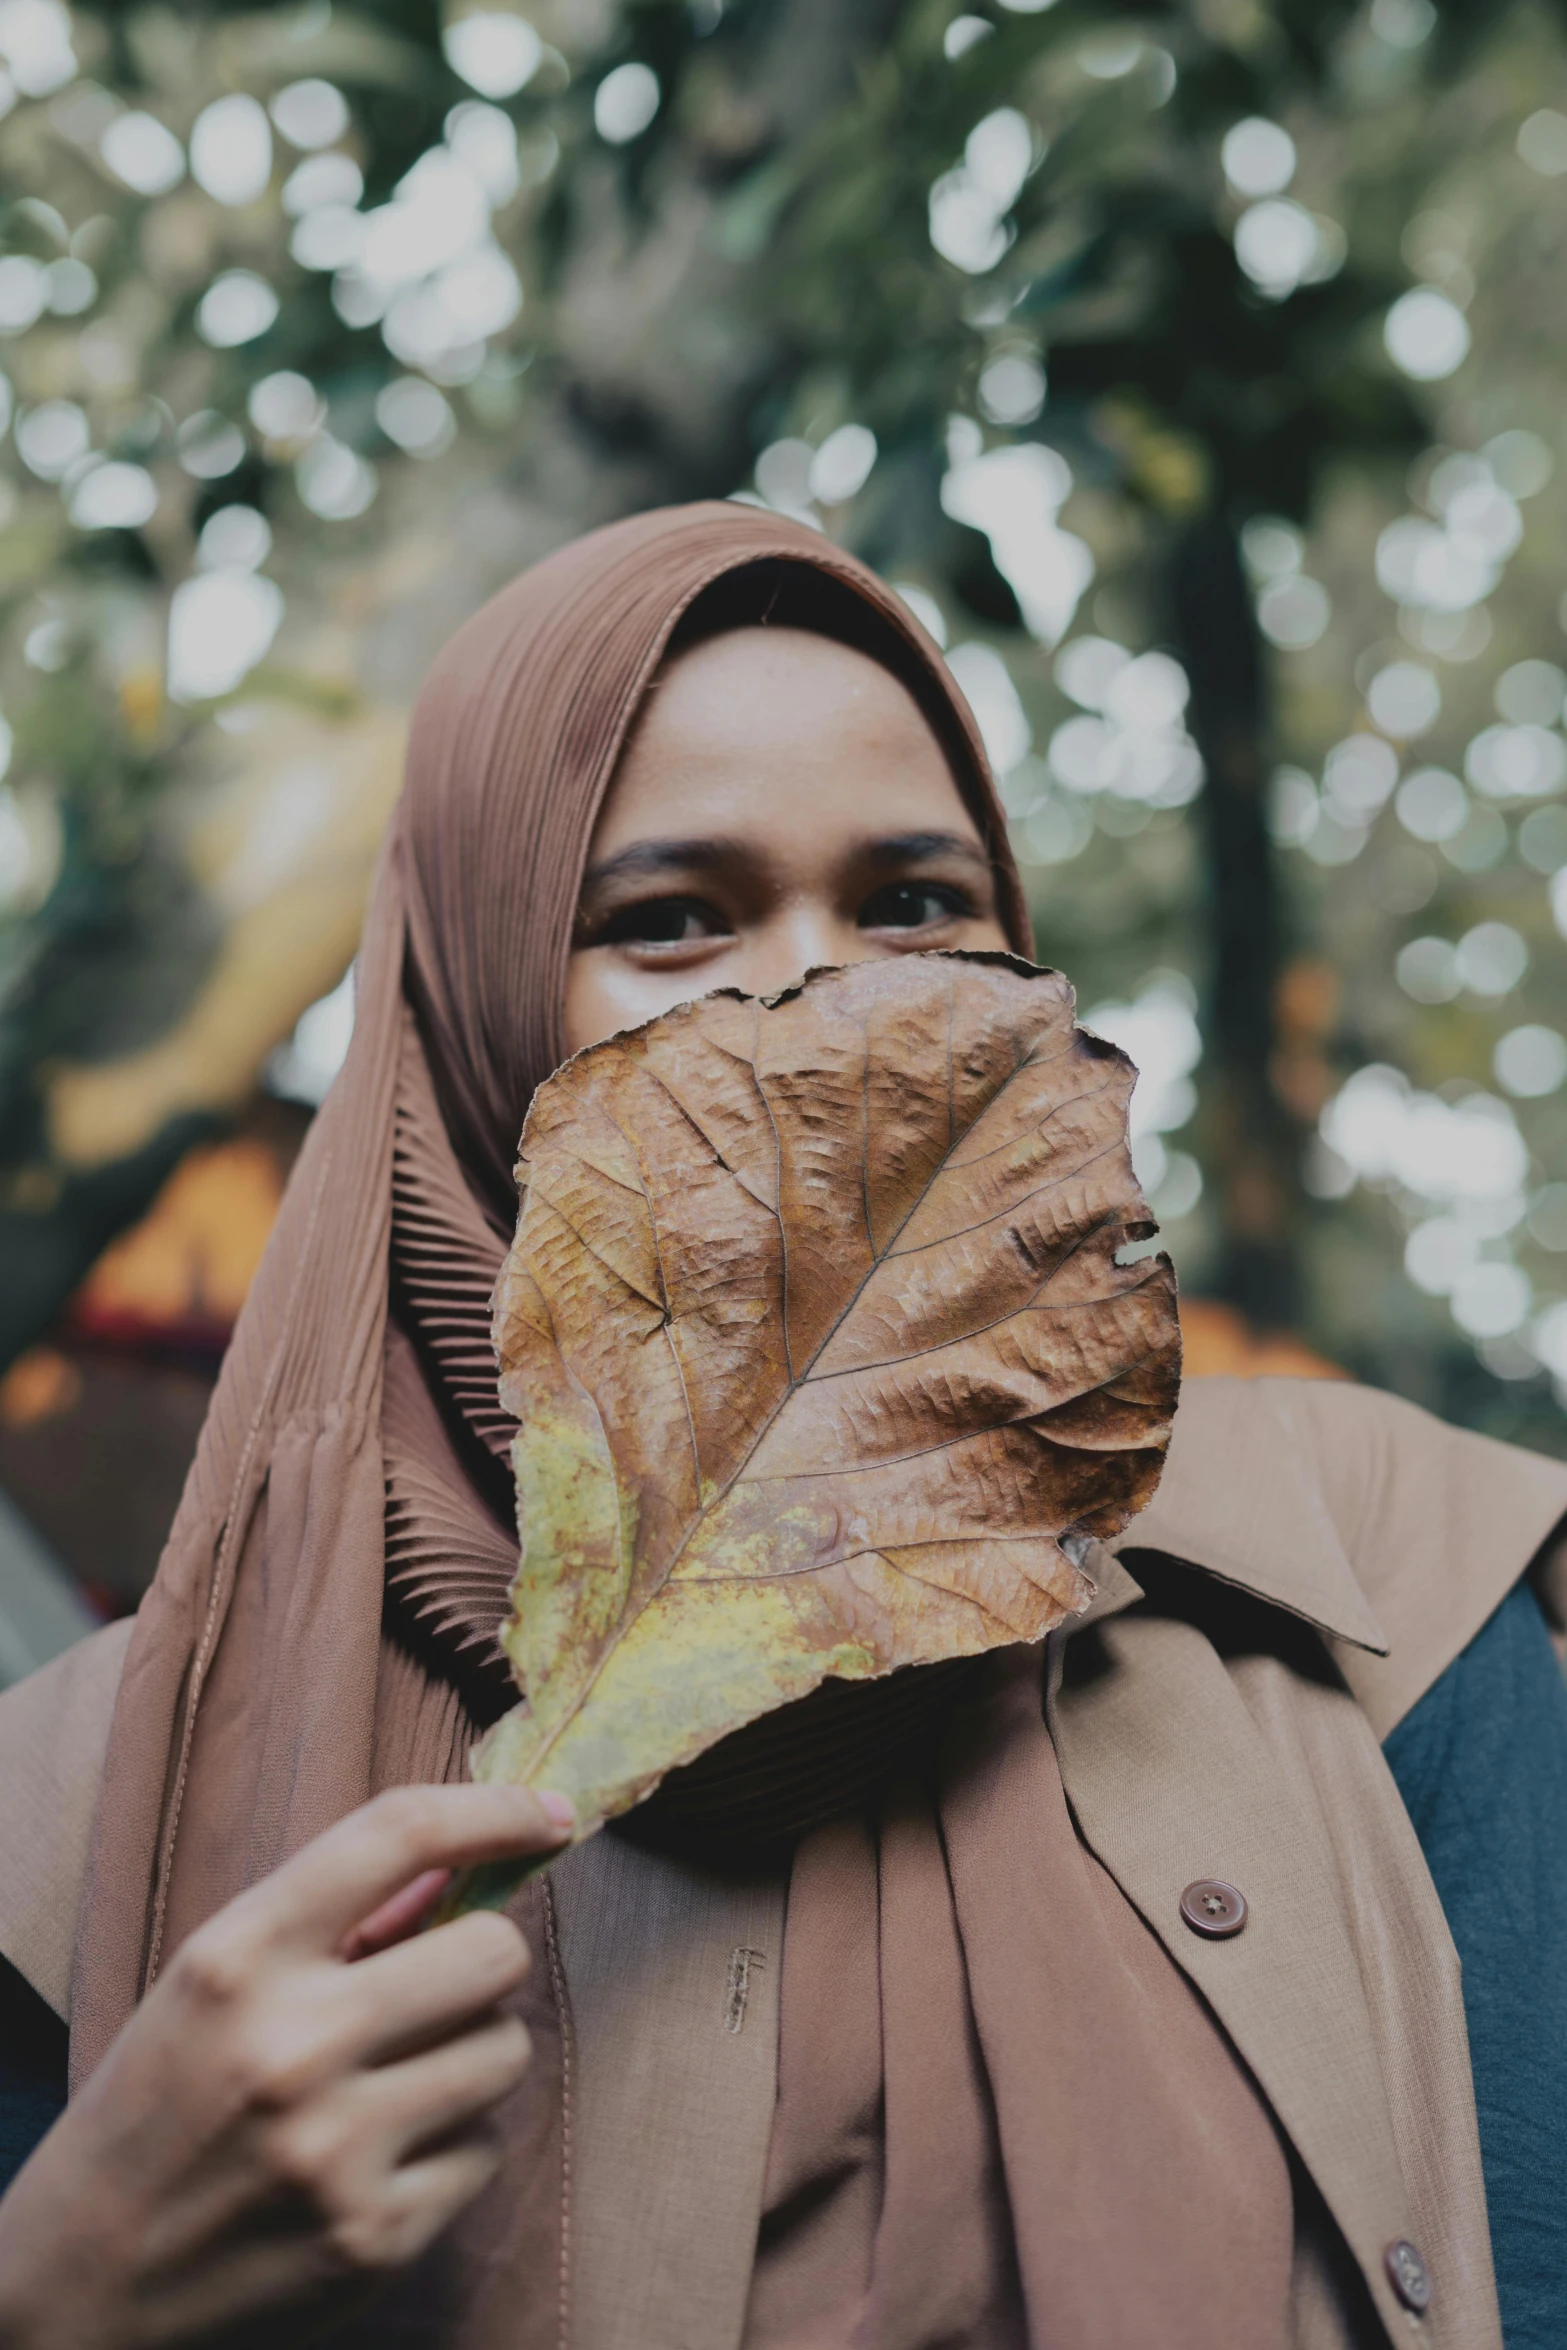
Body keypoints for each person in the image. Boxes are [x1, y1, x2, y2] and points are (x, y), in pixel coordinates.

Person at [0, 502, 1565, 2350]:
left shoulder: (1367, 1563)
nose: (818, 989)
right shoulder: (86, 1804)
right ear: (478, 996)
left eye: (913, 901)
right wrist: (62, 2281)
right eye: (669, 918)